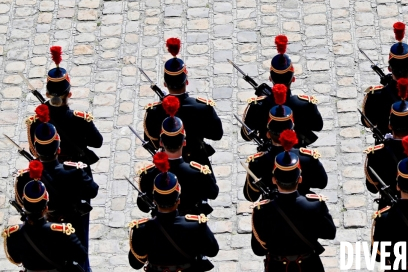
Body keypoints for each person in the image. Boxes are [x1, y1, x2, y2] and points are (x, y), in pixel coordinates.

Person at [15, 104, 99, 271]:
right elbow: (93, 190)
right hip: (72, 221)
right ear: (58, 148)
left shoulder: (26, 178)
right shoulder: (74, 171)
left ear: (35, 148)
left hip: (37, 226)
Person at [250, 146, 336, 271]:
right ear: (300, 179)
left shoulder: (262, 210)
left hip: (277, 267)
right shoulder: (315, 204)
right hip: (309, 265)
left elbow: (258, 250)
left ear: (274, 180)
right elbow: (330, 233)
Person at [143, 38, 223, 166]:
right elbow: (217, 134)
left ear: (165, 84)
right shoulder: (203, 108)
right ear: (186, 81)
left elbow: (151, 142)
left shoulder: (153, 112)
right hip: (197, 160)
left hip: (167, 164)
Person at [27, 46, 103, 177]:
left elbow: (34, 151)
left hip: (49, 174)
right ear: (69, 94)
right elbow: (97, 142)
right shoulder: (81, 119)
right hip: (77, 172)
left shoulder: (35, 122)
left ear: (47, 94)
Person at [128, 170, 219, 271]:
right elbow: (213, 251)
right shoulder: (196, 225)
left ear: (154, 200)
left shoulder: (141, 229)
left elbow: (136, 264)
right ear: (178, 200)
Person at [242, 35, 323, 147]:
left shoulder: (257, 105)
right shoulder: (306, 104)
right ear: (293, 79)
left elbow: (245, 135)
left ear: (270, 78)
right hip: (296, 152)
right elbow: (318, 126)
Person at [3, 175, 88, 271]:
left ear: (24, 205)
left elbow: (16, 259)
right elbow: (82, 256)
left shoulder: (13, 233)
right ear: (46, 208)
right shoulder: (62, 232)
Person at [243, 121, 327, 202]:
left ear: (268, 134)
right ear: (292, 133)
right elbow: (322, 183)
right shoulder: (307, 158)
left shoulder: (258, 161)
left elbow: (250, 197)